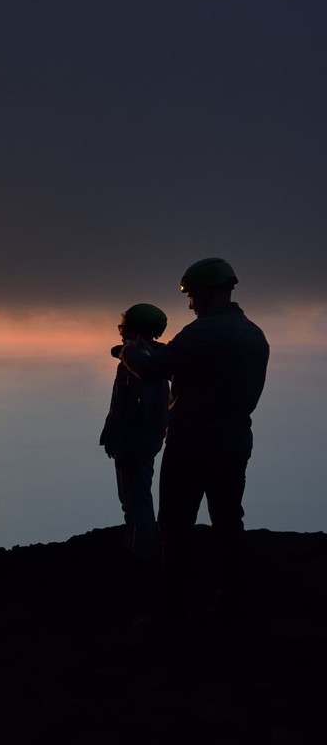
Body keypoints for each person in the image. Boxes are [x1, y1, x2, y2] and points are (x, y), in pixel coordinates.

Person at [121, 257, 269, 620]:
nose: (190, 304)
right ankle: (232, 597)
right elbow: (196, 364)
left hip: (191, 444)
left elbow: (152, 368)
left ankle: (174, 606)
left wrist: (130, 351)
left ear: (205, 293)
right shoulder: (253, 333)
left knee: (175, 526)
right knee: (228, 521)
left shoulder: (203, 331)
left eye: (192, 296)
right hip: (234, 442)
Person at [100, 303, 169, 566]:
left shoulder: (140, 362)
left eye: (124, 326)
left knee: (135, 502)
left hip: (134, 443)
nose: (120, 331)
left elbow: (139, 408)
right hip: (139, 442)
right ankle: (136, 550)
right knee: (133, 500)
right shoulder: (146, 357)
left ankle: (139, 558)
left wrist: (123, 439)